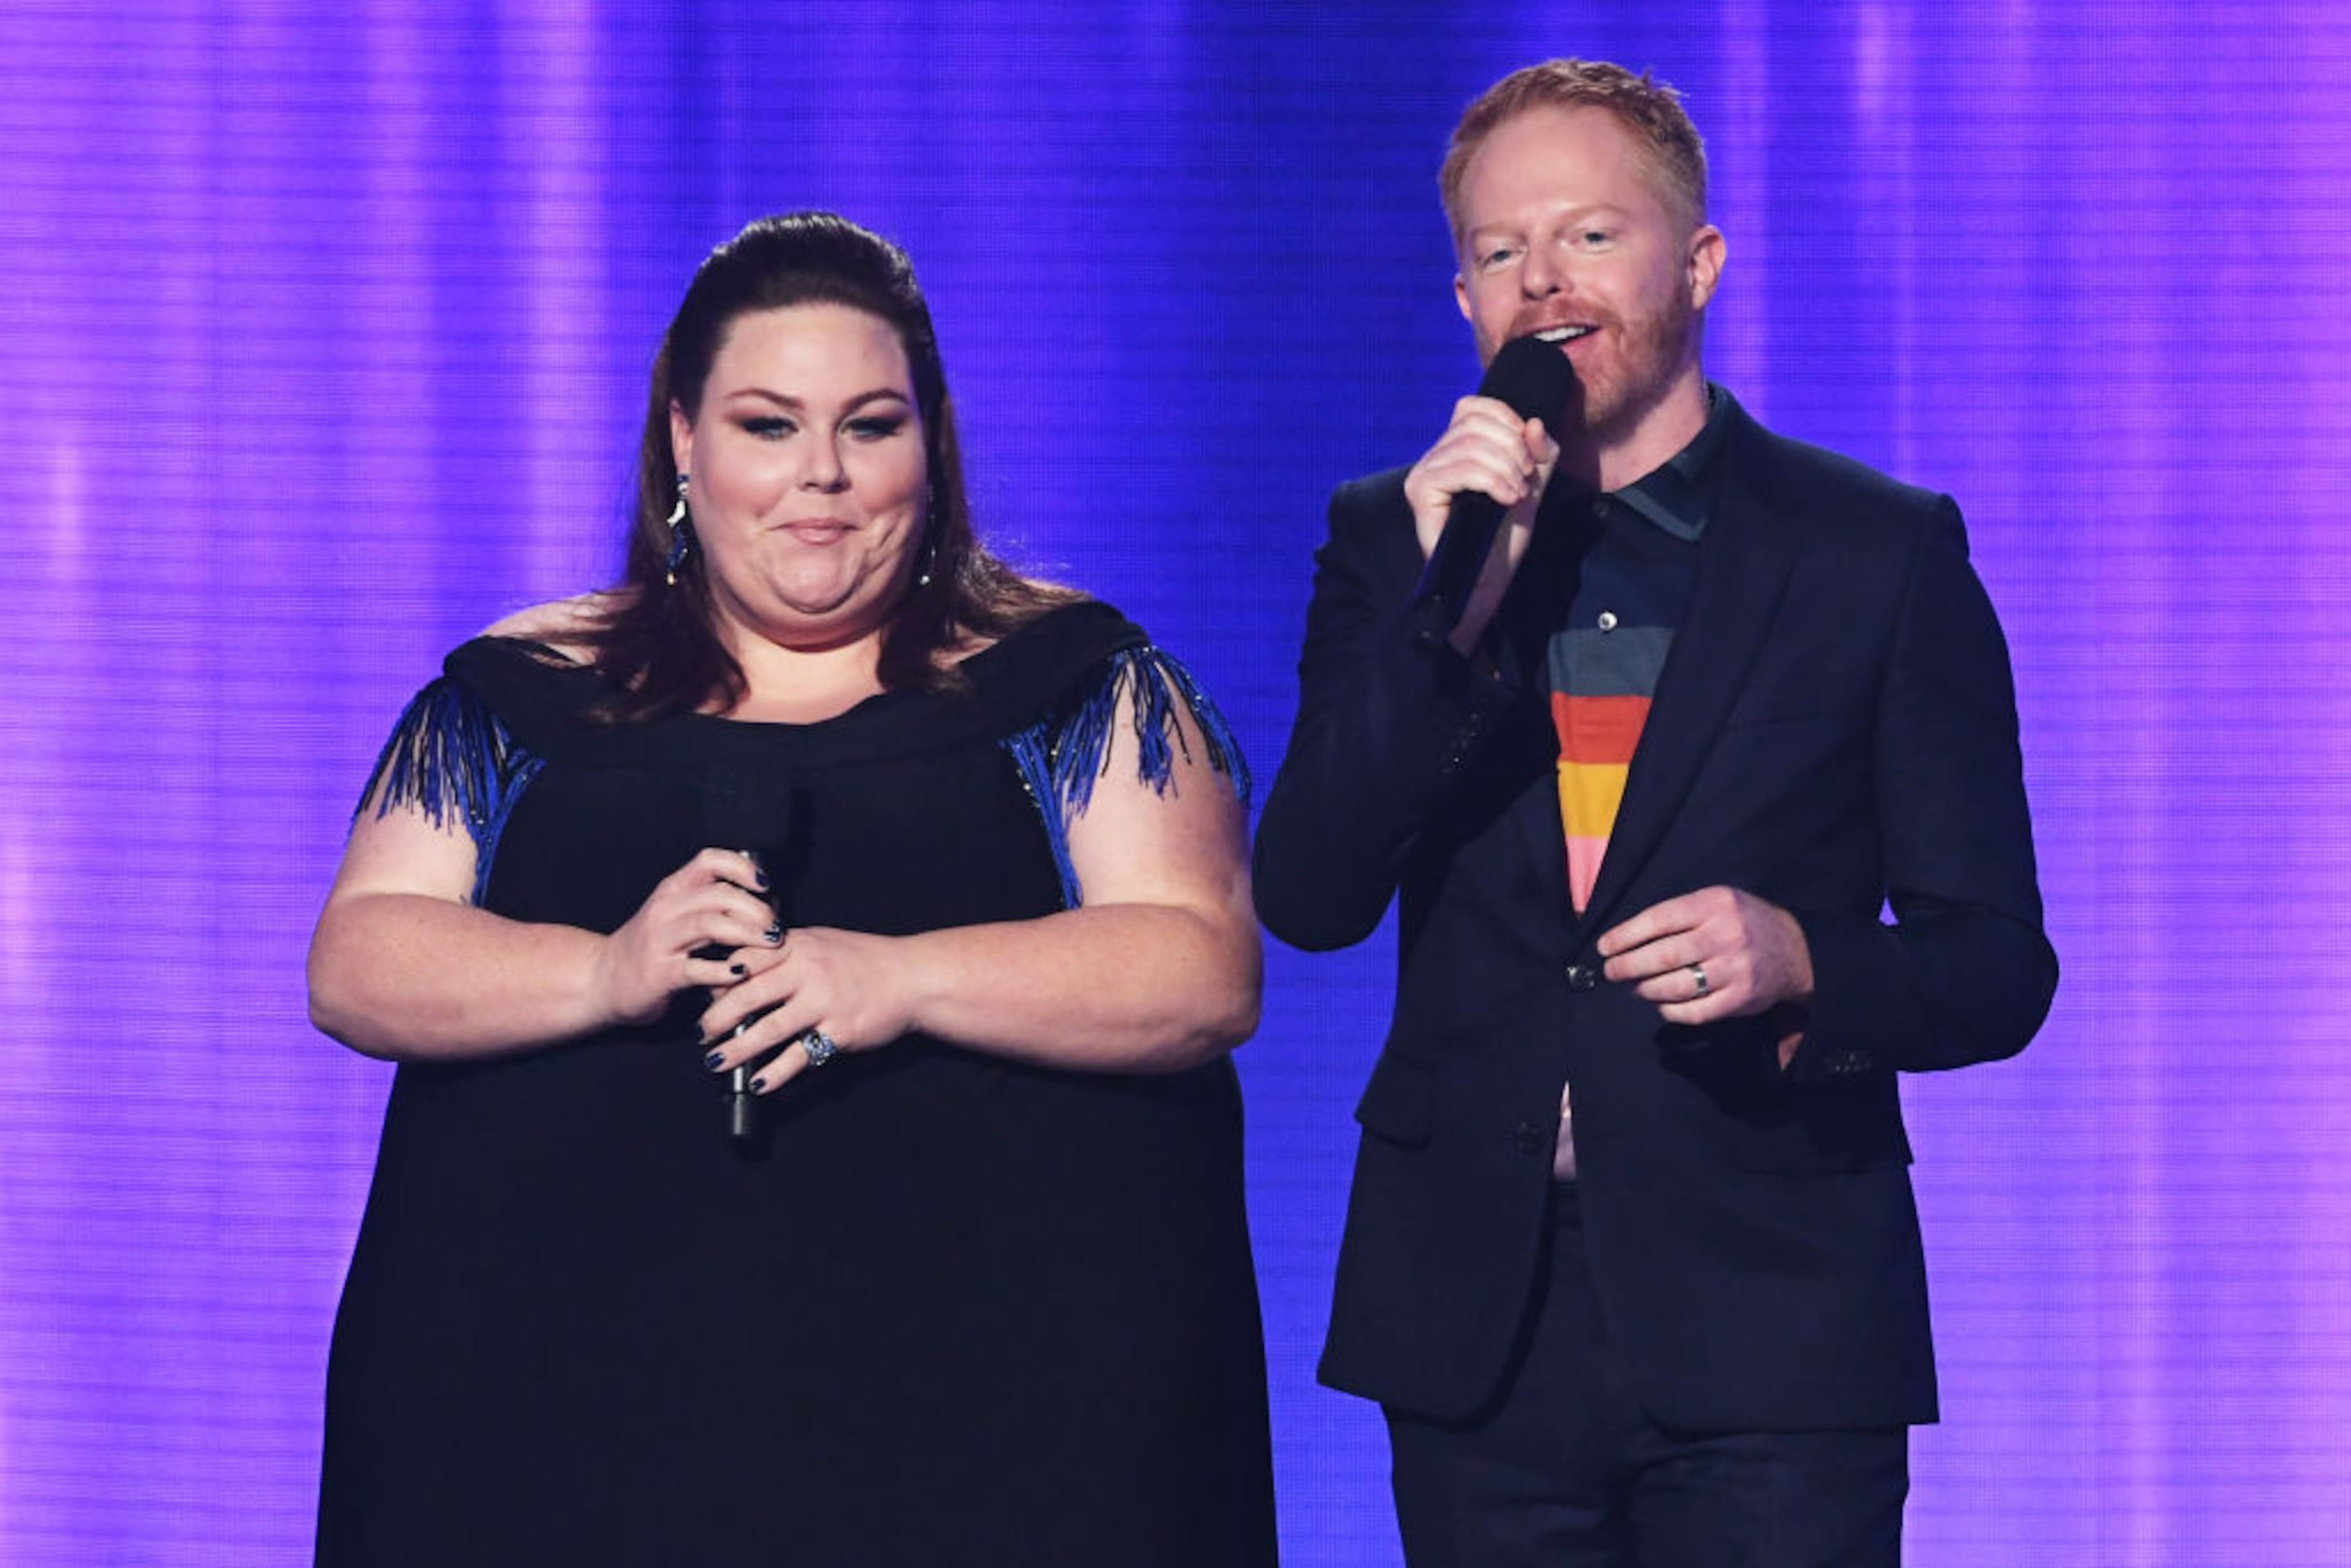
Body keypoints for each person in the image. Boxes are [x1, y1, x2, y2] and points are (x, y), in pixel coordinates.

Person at [308, 211, 1278, 1566]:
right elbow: (359, 960)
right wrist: (602, 970)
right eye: (770, 426)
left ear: (930, 447)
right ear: (682, 444)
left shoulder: (1075, 678)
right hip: (558, 1404)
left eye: (870, 427)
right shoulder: (523, 690)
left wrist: (895, 977)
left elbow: (1199, 970)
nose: (820, 478)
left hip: (1000, 1415)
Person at [1253, 59, 2057, 1567]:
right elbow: (1307, 892)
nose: (1542, 283)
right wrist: (1453, 617)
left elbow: (2000, 962)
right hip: (1473, 1321)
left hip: (1774, 1319)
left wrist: (1808, 958)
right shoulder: (1394, 537)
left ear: (1698, 264)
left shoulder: (1875, 552)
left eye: (1589, 237)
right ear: (1463, 299)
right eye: (1500, 253)